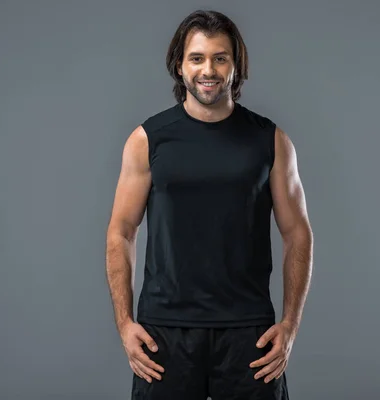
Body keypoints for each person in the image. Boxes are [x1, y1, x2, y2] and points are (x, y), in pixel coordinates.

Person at [105, 9, 313, 400]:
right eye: (197, 58)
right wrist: (124, 322)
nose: (209, 70)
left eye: (221, 58)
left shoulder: (270, 141)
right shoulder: (148, 140)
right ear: (179, 66)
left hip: (249, 333)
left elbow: (297, 233)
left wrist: (290, 325)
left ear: (236, 66)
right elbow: (121, 231)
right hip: (164, 333)